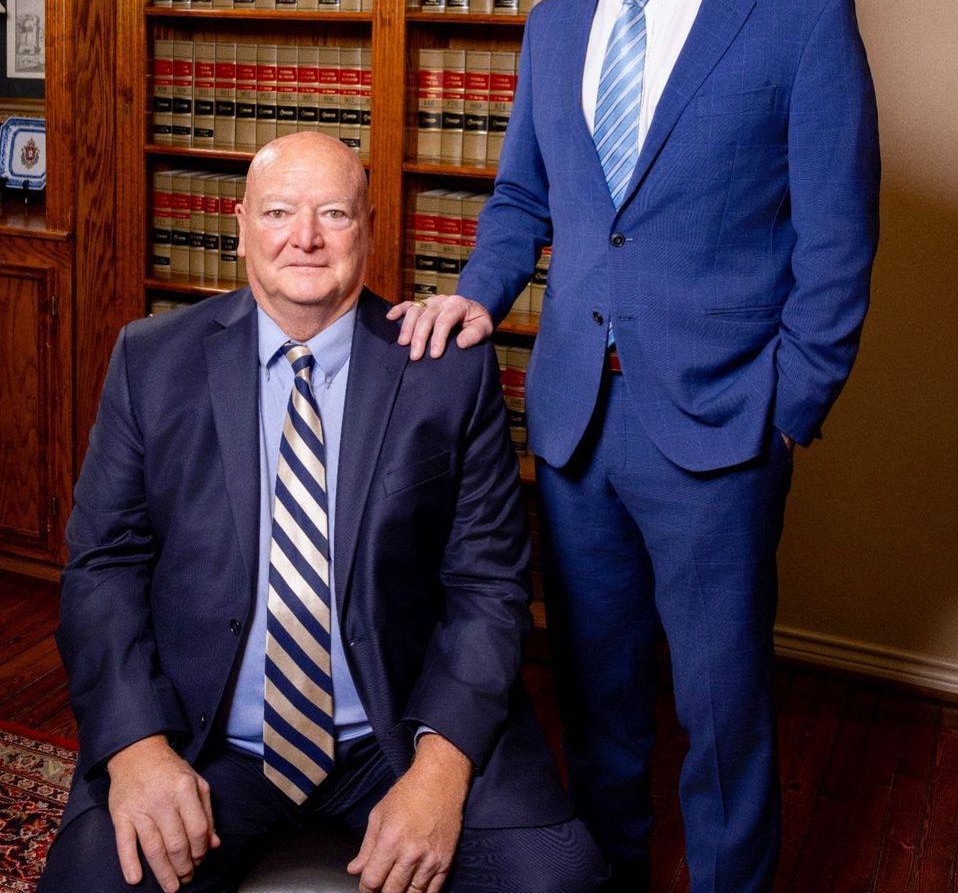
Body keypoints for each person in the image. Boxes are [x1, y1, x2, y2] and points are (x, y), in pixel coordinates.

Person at [390, 0, 880, 892]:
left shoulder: (802, 13)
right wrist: (476, 290)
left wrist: (789, 405)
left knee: (720, 714)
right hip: (572, 421)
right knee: (596, 701)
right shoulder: (558, 24)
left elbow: (839, 236)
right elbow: (522, 198)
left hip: (721, 423)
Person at [41, 132, 606, 893]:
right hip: (211, 740)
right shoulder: (151, 359)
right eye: (279, 211)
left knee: (555, 879)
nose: (304, 237)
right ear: (239, 226)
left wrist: (439, 770)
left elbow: (488, 587)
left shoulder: (445, 371)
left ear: (369, 227)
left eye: (333, 213)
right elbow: (102, 569)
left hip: (397, 729)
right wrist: (139, 747)